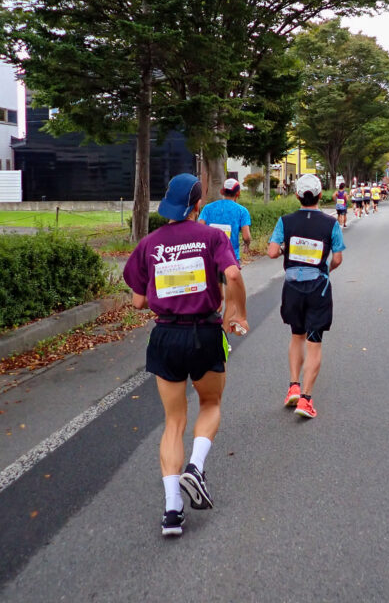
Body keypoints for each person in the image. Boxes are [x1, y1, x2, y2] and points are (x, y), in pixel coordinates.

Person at [123, 173, 249, 537]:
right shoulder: (211, 237)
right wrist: (237, 313)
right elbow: (233, 275)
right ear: (198, 204)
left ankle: (172, 510)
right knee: (210, 403)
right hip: (205, 332)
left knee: (173, 421)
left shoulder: (149, 244)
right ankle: (195, 467)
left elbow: (138, 302)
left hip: (165, 336)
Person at [267, 173, 344, 419]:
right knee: (314, 342)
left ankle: (293, 386)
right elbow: (338, 258)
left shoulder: (285, 221)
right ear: (320, 195)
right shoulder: (331, 224)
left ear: (297, 195)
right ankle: (306, 400)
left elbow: (272, 252)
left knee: (296, 336)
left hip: (292, 287)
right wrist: (325, 270)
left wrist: (284, 249)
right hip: (317, 287)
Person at [198, 177, 252, 263]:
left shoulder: (208, 208)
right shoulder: (242, 211)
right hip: (231, 257)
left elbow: (199, 229)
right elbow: (246, 236)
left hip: (210, 256)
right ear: (238, 193)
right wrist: (247, 245)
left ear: (222, 191)